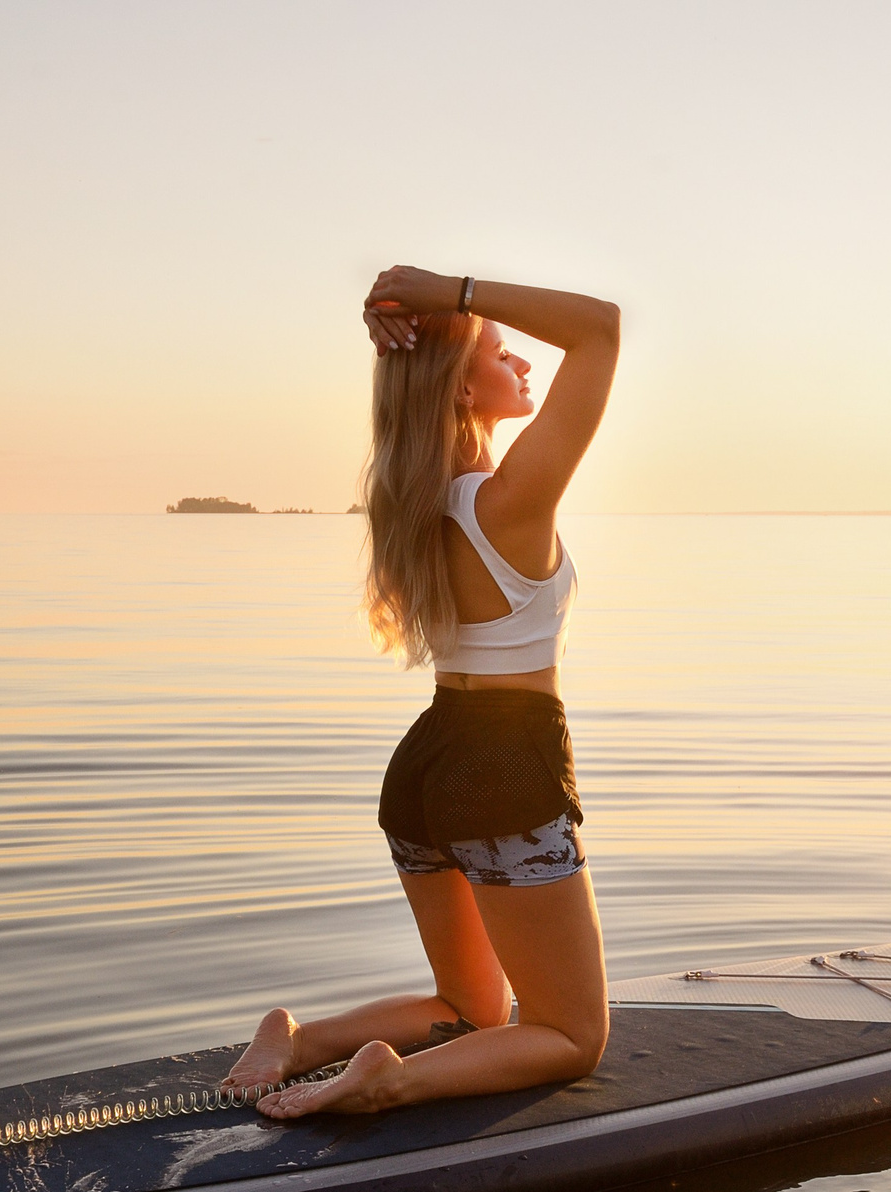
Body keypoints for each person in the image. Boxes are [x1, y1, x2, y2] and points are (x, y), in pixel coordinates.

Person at [229, 267, 620, 1119]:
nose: (520, 359)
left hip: (426, 763)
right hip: (506, 764)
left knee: (470, 1010)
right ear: (460, 385)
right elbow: (600, 329)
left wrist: (450, 315)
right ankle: (389, 1079)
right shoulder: (511, 502)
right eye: (495, 348)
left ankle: (301, 1040)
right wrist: (459, 291)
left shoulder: (410, 505)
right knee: (570, 1032)